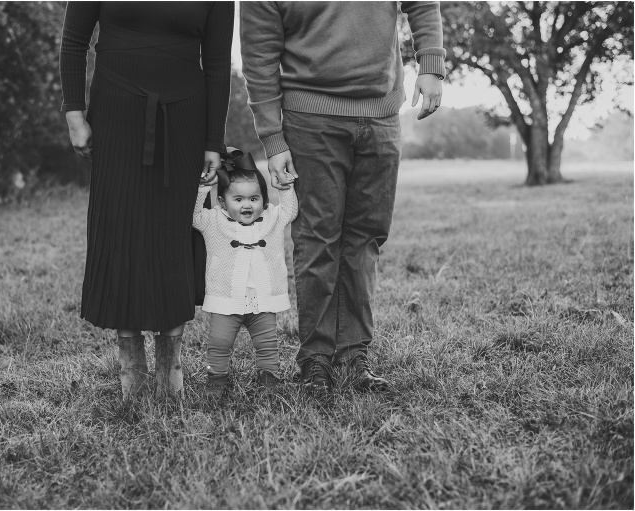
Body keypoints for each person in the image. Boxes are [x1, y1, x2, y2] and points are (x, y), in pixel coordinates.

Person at [240, 2, 445, 395]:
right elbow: (259, 50)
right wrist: (272, 135)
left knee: (365, 237)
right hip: (309, 117)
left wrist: (431, 64)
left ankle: (353, 355)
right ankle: (315, 359)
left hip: (382, 113)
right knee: (317, 238)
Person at [60, 2, 233, 399]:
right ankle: (132, 370)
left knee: (173, 237)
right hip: (116, 113)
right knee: (122, 231)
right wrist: (74, 114)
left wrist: (213, 141)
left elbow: (219, 62)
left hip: (185, 118)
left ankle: (170, 367)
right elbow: (73, 42)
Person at [192, 150, 298, 397]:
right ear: (223, 203)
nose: (247, 205)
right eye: (238, 199)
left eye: (254, 198)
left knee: (268, 345)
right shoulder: (214, 220)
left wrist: (285, 187)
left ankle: (269, 377)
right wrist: (202, 189)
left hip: (263, 299)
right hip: (226, 300)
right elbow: (194, 216)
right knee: (218, 344)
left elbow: (290, 210)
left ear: (264, 200)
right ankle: (216, 377)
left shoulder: (272, 218)